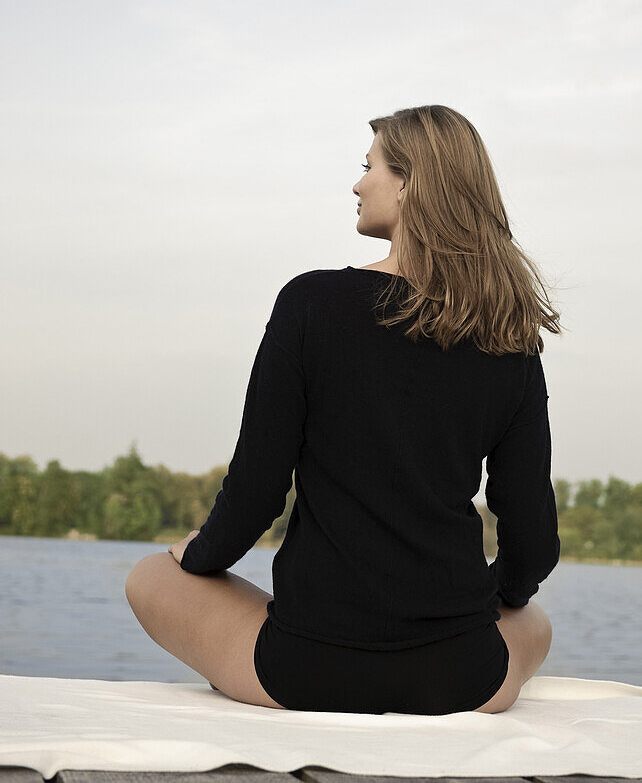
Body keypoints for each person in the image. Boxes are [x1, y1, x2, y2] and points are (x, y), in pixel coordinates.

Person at [125, 104, 562, 715]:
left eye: (369, 166)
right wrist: (491, 601)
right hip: (460, 679)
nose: (358, 184)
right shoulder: (508, 335)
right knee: (532, 616)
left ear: (409, 183)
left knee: (148, 574)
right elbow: (534, 542)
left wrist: (196, 556)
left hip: (306, 670)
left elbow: (257, 492)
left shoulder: (311, 303)